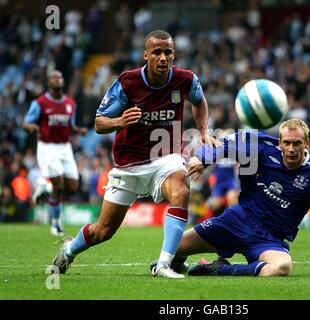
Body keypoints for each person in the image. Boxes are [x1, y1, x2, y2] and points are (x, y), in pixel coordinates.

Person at [51, 30, 219, 278]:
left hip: (166, 157)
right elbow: (99, 123)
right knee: (103, 231)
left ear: (173, 55)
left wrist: (204, 132)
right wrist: (120, 120)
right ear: (146, 55)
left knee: (181, 190)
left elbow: (199, 101)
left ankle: (164, 264)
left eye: (168, 52)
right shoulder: (128, 82)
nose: (163, 58)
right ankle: (69, 250)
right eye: (157, 52)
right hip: (128, 164)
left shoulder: (185, 79)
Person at [155, 119, 310, 276]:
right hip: (236, 220)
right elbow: (229, 144)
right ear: (279, 142)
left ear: (306, 143)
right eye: (286, 143)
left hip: (269, 239)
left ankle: (218, 269)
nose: (291, 149)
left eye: (297, 143)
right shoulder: (264, 151)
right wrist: (204, 159)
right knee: (170, 249)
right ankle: (178, 262)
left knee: (281, 267)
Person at [23, 70, 87, 236]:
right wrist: (34, 127)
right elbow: (26, 123)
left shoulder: (70, 103)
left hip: (65, 148)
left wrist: (78, 130)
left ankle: (45, 186)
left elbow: (70, 126)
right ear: (49, 82)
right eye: (54, 77)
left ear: (63, 81)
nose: (58, 79)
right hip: (47, 147)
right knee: (58, 184)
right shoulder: (40, 103)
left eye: (60, 77)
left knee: (72, 188)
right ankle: (56, 224)